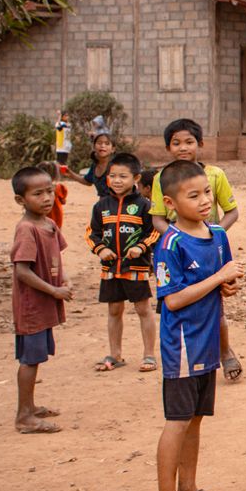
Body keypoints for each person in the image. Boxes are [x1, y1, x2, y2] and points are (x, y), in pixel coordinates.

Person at [146, 160, 242, 491]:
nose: (204, 201)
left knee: (196, 419)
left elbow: (221, 281)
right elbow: (171, 301)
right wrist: (219, 277)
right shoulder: (170, 244)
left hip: (207, 342)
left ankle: (188, 489)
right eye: (193, 195)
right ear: (170, 203)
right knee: (177, 420)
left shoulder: (217, 234)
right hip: (182, 344)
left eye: (207, 193)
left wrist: (227, 285)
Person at [147, 119, 244, 383]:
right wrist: (181, 239)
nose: (183, 148)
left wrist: (214, 236)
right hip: (182, 248)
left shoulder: (215, 175)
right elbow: (157, 217)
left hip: (209, 248)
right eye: (176, 143)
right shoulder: (161, 179)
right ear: (168, 147)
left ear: (200, 144)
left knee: (217, 306)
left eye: (189, 142)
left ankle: (223, 352)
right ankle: (184, 361)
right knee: (179, 303)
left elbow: (231, 211)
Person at [10, 166, 70, 435]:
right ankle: (24, 416)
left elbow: (58, 255)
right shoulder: (26, 229)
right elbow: (22, 271)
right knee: (30, 359)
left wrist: (64, 280)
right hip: (32, 306)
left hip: (44, 302)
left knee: (37, 356)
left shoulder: (49, 224)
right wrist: (54, 290)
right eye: (38, 194)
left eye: (49, 191)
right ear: (21, 200)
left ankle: (31, 407)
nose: (47, 198)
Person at [87, 153, 160, 373]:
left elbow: (155, 231)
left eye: (123, 176)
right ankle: (115, 354)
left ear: (136, 178)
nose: (117, 180)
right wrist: (101, 249)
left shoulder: (144, 206)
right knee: (114, 310)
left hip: (136, 268)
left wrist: (142, 247)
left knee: (143, 309)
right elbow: (92, 233)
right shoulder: (101, 206)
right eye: (112, 176)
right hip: (110, 269)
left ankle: (149, 355)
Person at [77, 119, 118, 198]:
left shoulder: (118, 165)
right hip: (102, 205)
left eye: (107, 144)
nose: (103, 146)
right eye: (99, 143)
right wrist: (70, 174)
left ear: (113, 149)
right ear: (94, 147)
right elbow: (88, 181)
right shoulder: (95, 165)